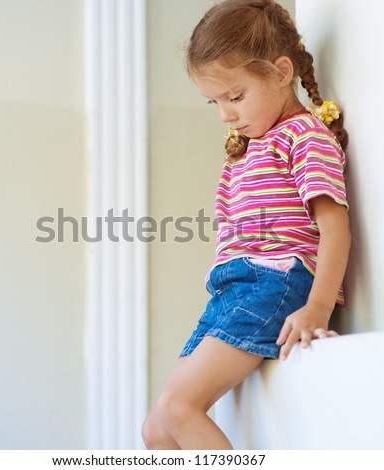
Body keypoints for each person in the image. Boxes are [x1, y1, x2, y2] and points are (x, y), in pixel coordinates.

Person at [142, 0, 351, 450]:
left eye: (235, 97)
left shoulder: (305, 136)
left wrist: (317, 308)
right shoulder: (248, 148)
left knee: (181, 407)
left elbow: (335, 228)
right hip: (230, 287)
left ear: (280, 72)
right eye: (214, 101)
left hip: (274, 282)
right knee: (157, 427)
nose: (225, 114)